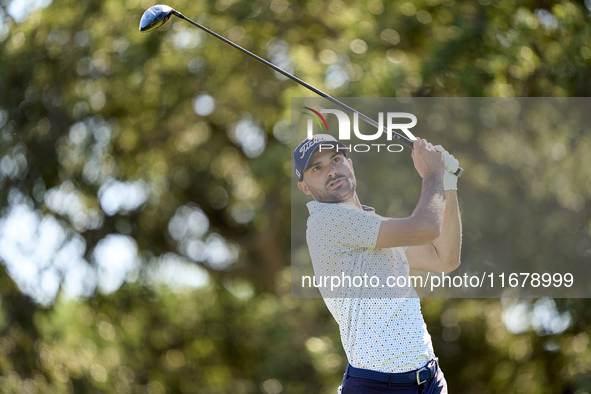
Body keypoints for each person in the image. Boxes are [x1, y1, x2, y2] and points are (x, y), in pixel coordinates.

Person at [293, 134, 462, 394]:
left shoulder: (373, 226)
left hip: (430, 380)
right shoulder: (325, 222)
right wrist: (432, 175)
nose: (331, 170)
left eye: (336, 159)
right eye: (317, 168)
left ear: (350, 164)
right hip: (378, 387)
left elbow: (445, 260)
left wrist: (448, 185)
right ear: (304, 187)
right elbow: (426, 227)